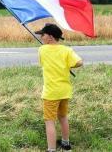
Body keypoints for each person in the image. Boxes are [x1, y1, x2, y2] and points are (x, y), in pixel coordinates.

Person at [35, 23, 83, 152]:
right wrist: (68, 66)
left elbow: (42, 62)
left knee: (49, 121)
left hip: (51, 92)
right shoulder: (67, 50)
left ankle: (51, 149)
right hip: (64, 91)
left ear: (50, 37)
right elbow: (79, 62)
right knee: (63, 117)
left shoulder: (42, 50)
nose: (41, 37)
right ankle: (66, 144)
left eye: (43, 35)